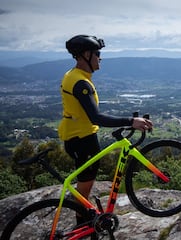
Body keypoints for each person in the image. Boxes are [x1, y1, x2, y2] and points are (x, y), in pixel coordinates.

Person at [58, 35, 153, 223]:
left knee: (85, 183)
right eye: (97, 53)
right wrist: (131, 121)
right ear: (86, 55)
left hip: (76, 135)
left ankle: (84, 221)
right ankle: (83, 226)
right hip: (82, 139)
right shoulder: (81, 83)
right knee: (84, 187)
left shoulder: (73, 75)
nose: (100, 58)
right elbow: (97, 118)